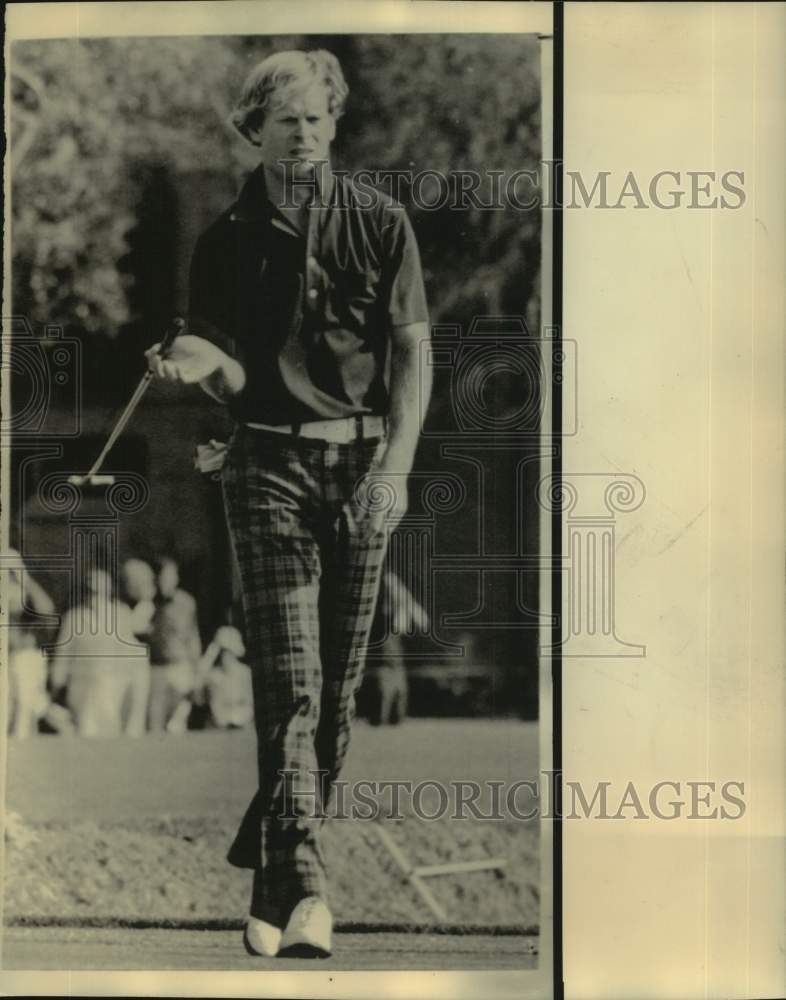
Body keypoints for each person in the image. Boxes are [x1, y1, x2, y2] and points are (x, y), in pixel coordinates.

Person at [146, 49, 431, 959]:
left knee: (338, 700)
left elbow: (415, 356)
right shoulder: (226, 238)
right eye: (284, 122)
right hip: (263, 466)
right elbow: (230, 375)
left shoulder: (381, 223)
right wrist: (190, 365)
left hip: (364, 473)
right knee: (292, 688)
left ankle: (267, 865)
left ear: (335, 123)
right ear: (254, 131)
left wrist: (396, 470)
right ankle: (308, 889)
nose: (302, 136)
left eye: (315, 119)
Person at [50, 566, 150, 737]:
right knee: (86, 732)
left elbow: (129, 651)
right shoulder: (73, 617)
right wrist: (57, 685)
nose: (93, 595)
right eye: (90, 590)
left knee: (111, 732)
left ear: (107, 590)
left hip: (112, 686)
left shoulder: (120, 613)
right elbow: (63, 654)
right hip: (82, 686)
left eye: (98, 590)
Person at [147, 556, 202, 733]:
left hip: (180, 665)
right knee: (155, 722)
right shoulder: (148, 603)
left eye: (170, 576)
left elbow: (193, 636)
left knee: (177, 722)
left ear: (176, 578)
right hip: (155, 668)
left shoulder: (186, 603)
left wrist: (196, 670)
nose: (166, 581)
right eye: (162, 577)